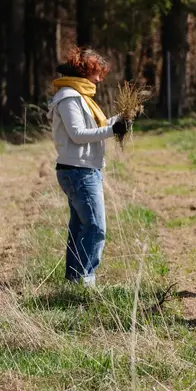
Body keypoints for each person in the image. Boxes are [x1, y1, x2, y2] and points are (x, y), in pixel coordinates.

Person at [48, 46, 129, 287]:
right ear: (84, 72)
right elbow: (78, 134)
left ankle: (74, 281)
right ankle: (85, 282)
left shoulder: (81, 97)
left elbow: (98, 126)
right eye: (97, 72)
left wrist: (120, 120)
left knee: (80, 225)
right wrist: (112, 130)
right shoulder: (69, 97)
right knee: (95, 227)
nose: (100, 78)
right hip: (77, 171)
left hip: (83, 169)